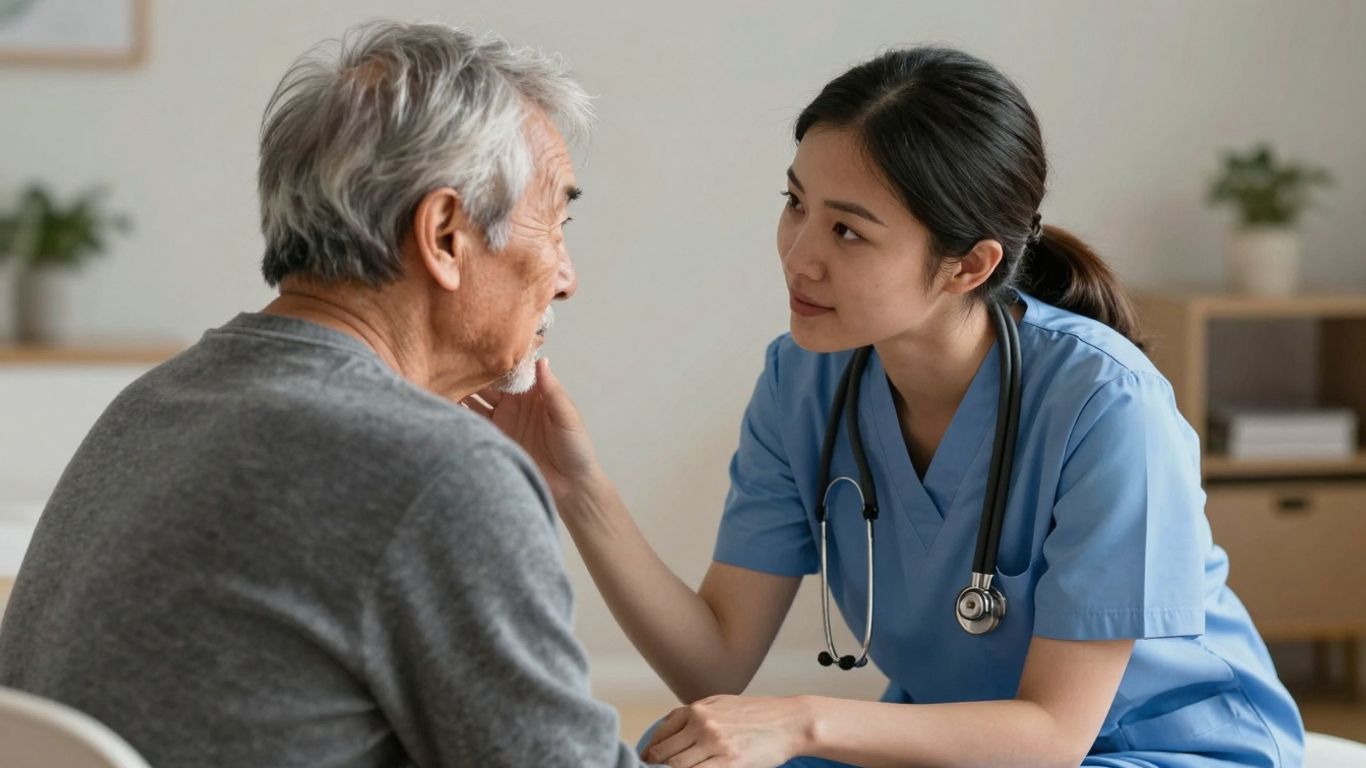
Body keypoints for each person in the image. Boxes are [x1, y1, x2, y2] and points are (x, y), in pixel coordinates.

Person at [476, 47, 1304, 767]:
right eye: (796, 202)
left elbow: (1055, 734)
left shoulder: (1107, 407)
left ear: (968, 266)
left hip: (1159, 750)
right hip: (953, 751)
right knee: (686, 752)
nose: (798, 255)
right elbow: (715, 665)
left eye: (848, 232)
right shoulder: (805, 382)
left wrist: (802, 720)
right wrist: (575, 485)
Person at [0, 21, 657, 768]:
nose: (568, 278)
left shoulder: (154, 402)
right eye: (558, 224)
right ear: (445, 234)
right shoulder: (440, 473)